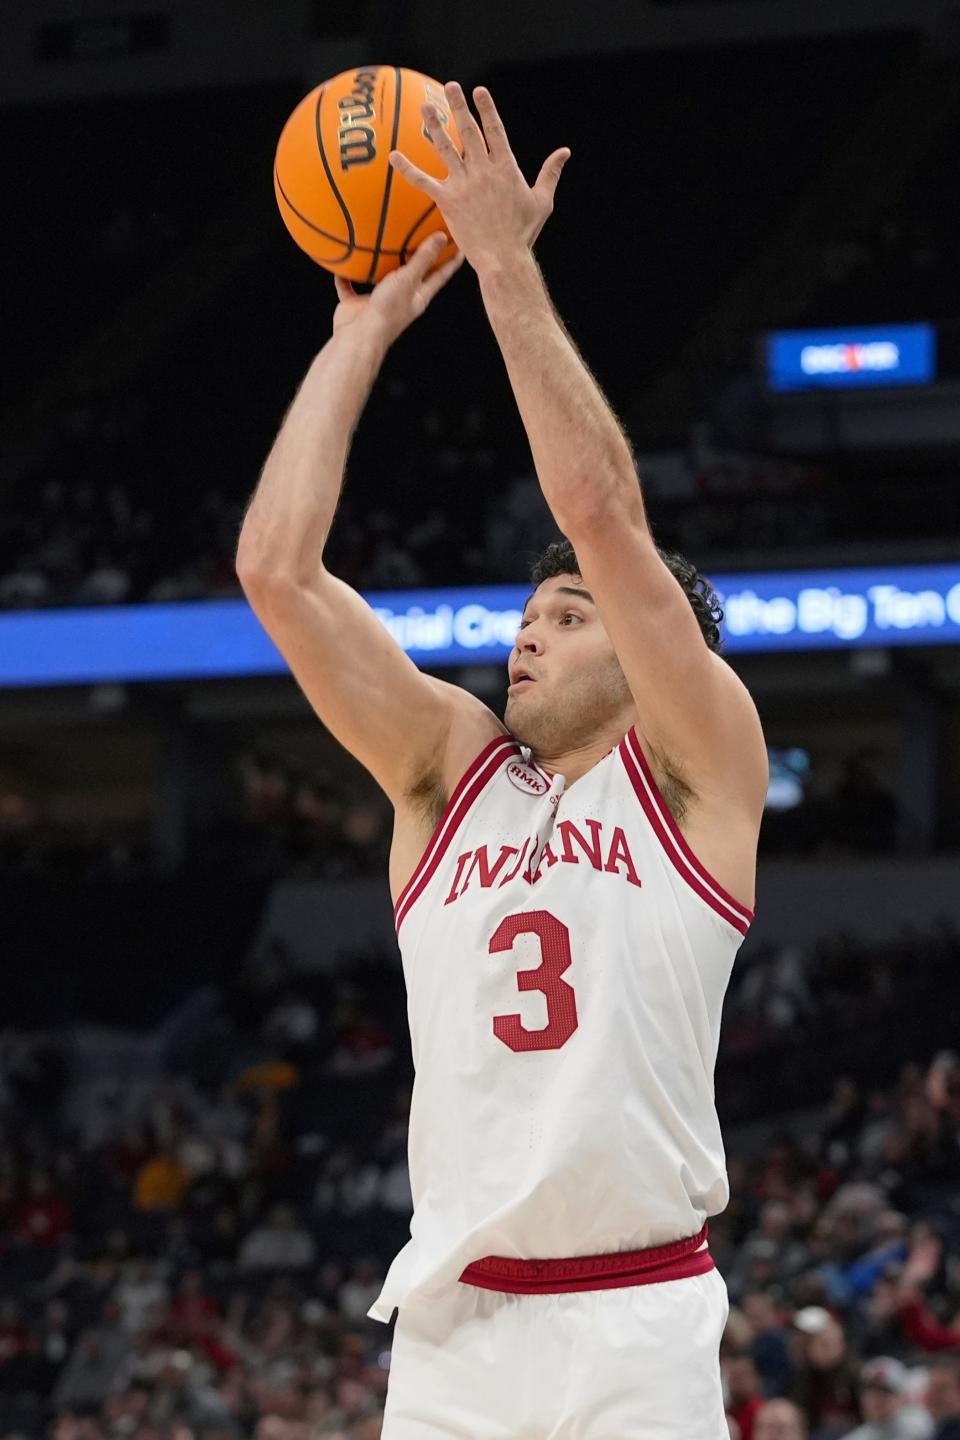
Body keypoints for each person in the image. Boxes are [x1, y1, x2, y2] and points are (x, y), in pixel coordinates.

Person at [237, 76, 767, 1440]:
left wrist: (503, 265)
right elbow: (277, 572)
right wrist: (356, 337)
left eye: (570, 615)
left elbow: (595, 504)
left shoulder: (699, 770)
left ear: (653, 667)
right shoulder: (447, 774)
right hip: (455, 1332)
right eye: (528, 616)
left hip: (633, 1319)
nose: (530, 636)